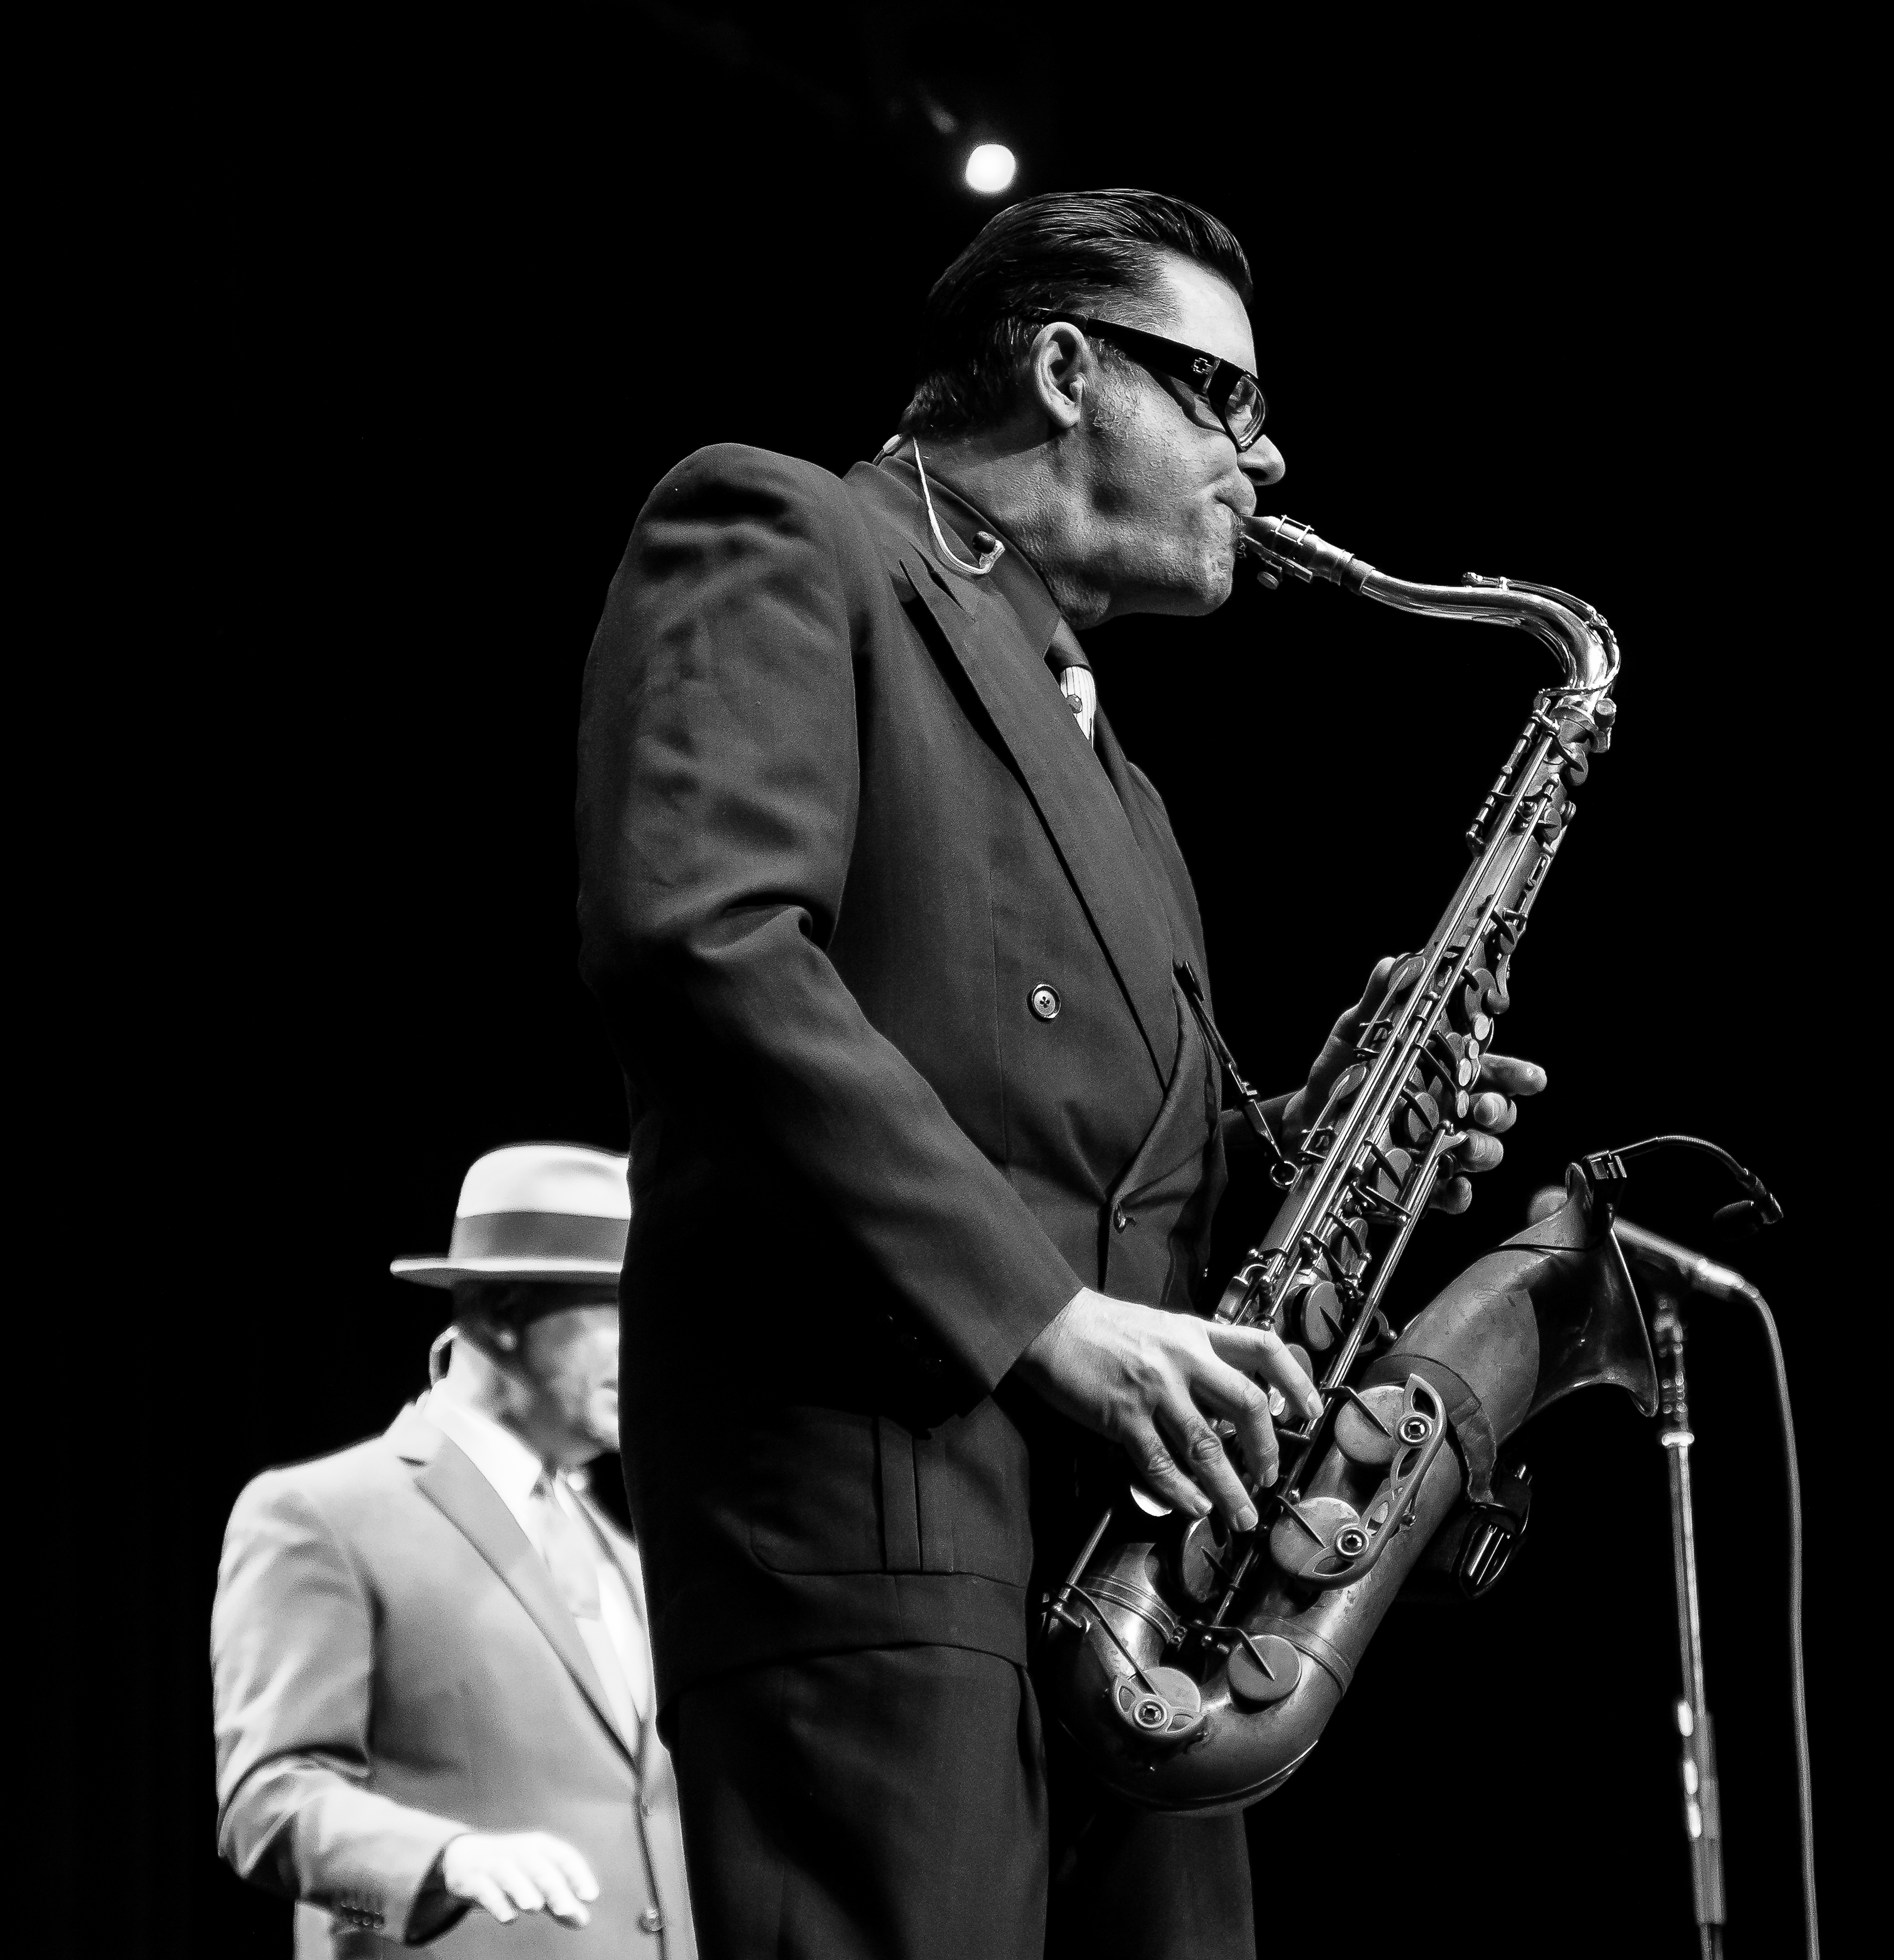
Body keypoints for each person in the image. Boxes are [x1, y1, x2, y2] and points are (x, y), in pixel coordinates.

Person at [574, 188, 1544, 1959]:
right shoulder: (783, 529)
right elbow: (702, 949)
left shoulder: (1125, 778)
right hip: (888, 1521)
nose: (1267, 456)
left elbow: (1095, 1153)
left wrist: (1320, 1134)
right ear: (1067, 368)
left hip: (1137, 1577)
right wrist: (1043, 1321)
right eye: (1227, 396)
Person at [211, 1144, 695, 1957]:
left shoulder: (623, 1551)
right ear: (503, 1311)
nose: (654, 1353)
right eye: (621, 1313)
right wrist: (440, 1862)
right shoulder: (322, 1515)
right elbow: (265, 1806)